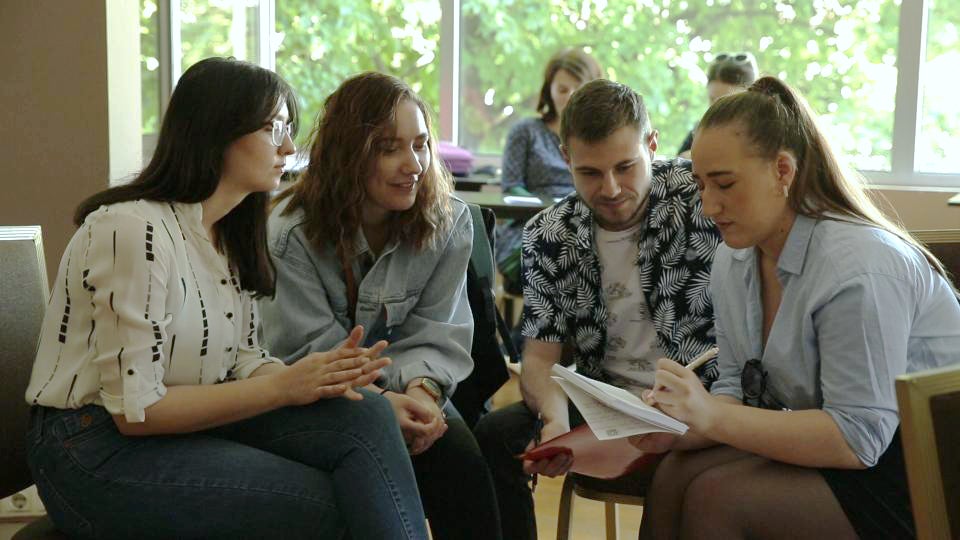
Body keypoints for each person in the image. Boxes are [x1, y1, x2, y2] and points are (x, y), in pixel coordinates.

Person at [23, 58, 429, 539]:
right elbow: (138, 412)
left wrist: (337, 384)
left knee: (367, 414)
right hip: (92, 450)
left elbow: (244, 360)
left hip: (184, 430)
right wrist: (285, 387)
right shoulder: (131, 229)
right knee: (333, 505)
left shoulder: (227, 234)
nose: (289, 147)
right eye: (273, 127)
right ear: (216, 132)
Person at [635, 76, 960, 540]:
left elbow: (859, 438)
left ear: (783, 171)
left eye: (724, 184)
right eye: (701, 185)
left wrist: (712, 416)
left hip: (924, 468)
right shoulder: (735, 255)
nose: (708, 206)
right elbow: (736, 388)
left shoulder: (858, 267)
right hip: (853, 449)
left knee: (718, 498)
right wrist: (681, 426)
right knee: (675, 471)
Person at [473, 79, 722, 540]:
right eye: (589, 172)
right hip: (602, 404)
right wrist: (554, 420)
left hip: (699, 404)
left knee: (693, 474)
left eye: (625, 167)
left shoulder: (702, 202)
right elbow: (541, 357)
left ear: (652, 144)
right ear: (566, 158)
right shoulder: (550, 233)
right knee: (492, 437)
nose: (610, 189)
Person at [259, 71, 502, 540]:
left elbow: (439, 332)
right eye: (389, 147)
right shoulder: (290, 234)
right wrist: (382, 403)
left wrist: (422, 396)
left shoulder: (448, 222)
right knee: (376, 460)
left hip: (413, 387)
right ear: (348, 154)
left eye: (421, 144)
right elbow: (307, 350)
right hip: (317, 393)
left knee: (462, 463)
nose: (413, 164)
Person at [496, 47, 603, 297]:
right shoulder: (525, 131)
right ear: (549, 91)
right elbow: (511, 186)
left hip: (588, 227)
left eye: (579, 89)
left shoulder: (601, 138)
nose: (570, 97)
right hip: (528, 226)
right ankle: (531, 333)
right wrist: (554, 214)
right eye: (563, 90)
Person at [676, 51, 759, 158]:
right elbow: (677, 164)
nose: (717, 108)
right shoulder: (700, 129)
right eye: (713, 100)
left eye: (726, 102)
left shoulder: (764, 133)